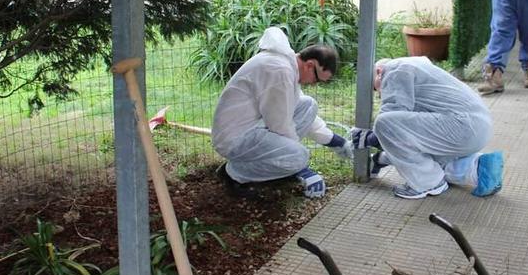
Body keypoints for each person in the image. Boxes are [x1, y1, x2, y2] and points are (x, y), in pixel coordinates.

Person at [212, 27, 352, 199]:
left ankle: (275, 166)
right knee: (299, 156)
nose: (314, 85)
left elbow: (296, 112)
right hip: (235, 139)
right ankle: (233, 173)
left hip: (251, 128)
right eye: (317, 79)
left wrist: (335, 141)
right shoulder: (279, 71)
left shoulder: (286, 65)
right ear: (309, 65)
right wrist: (301, 167)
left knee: (308, 105)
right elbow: (279, 124)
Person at [349, 57, 504, 200]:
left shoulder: (394, 71)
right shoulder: (419, 68)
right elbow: (407, 141)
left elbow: (390, 127)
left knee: (383, 122)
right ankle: (477, 168)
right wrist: (379, 159)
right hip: (477, 129)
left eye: (376, 89)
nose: (379, 93)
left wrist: (368, 139)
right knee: (423, 156)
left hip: (462, 126)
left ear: (378, 72)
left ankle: (429, 183)